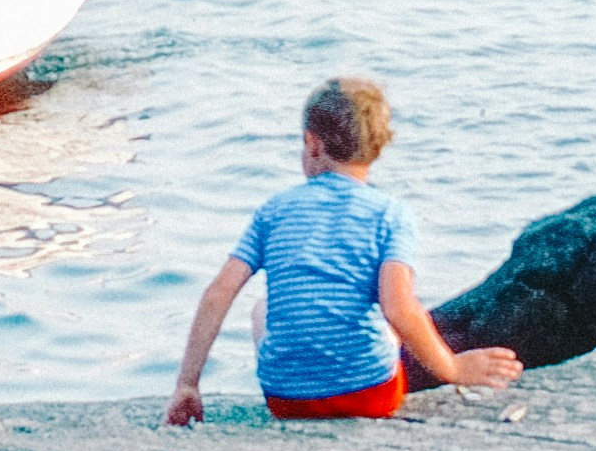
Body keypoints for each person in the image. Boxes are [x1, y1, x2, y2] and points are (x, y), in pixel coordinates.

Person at [164, 76, 524, 425]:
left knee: (263, 307)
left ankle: (300, 375)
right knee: (384, 313)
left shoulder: (274, 211)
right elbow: (399, 309)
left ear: (313, 143)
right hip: (371, 396)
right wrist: (453, 368)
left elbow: (219, 293)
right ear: (378, 147)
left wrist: (187, 385)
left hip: (287, 400)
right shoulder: (389, 214)